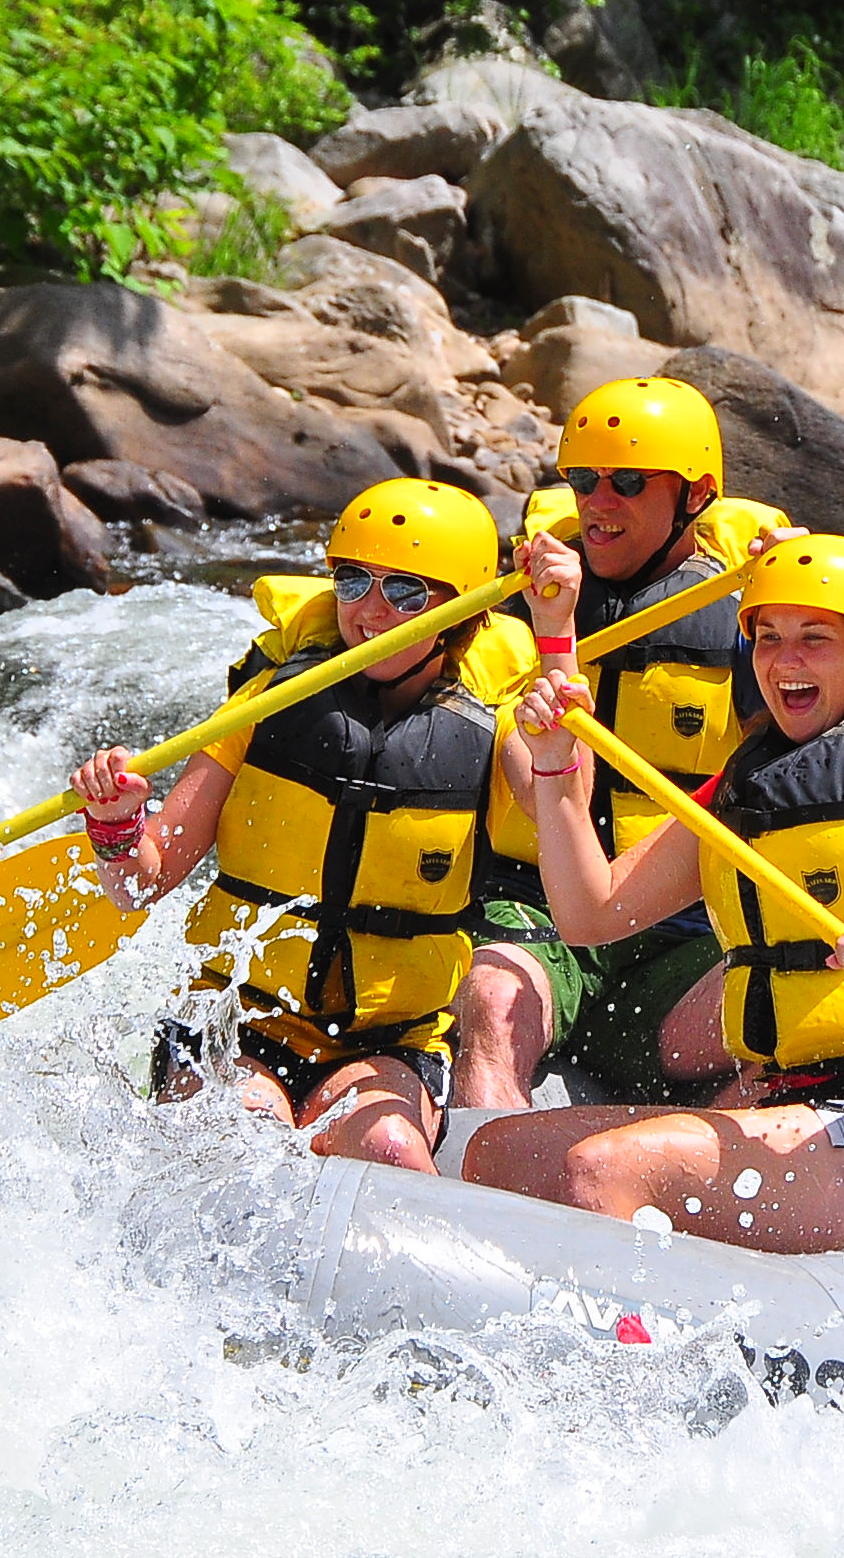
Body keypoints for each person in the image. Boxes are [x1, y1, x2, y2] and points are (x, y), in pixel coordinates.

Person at [465, 538, 844, 1250]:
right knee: (498, 1154)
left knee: (605, 1168)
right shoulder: (744, 790)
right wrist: (556, 772)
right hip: (783, 1096)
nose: (785, 662)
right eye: (767, 639)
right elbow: (592, 914)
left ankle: (625, 1359)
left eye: (815, 640)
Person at [69, 477, 537, 1174]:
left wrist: (557, 636)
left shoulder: (492, 734)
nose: (372, 612)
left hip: (385, 1039)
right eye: (352, 583)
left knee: (390, 1149)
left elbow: (565, 821)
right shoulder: (269, 701)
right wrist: (114, 824)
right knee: (241, 1132)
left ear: (460, 610)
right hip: (238, 1022)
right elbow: (143, 881)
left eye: (405, 591)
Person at [450, 377, 793, 1110]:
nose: (598, 504)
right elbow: (541, 793)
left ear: (696, 498)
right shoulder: (513, 604)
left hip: (689, 938)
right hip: (542, 916)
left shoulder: (752, 620)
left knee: (791, 1024)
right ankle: (483, 1187)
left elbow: (814, 763)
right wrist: (554, 633)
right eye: (582, 480)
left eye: (629, 483)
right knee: (489, 997)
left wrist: (804, 603)